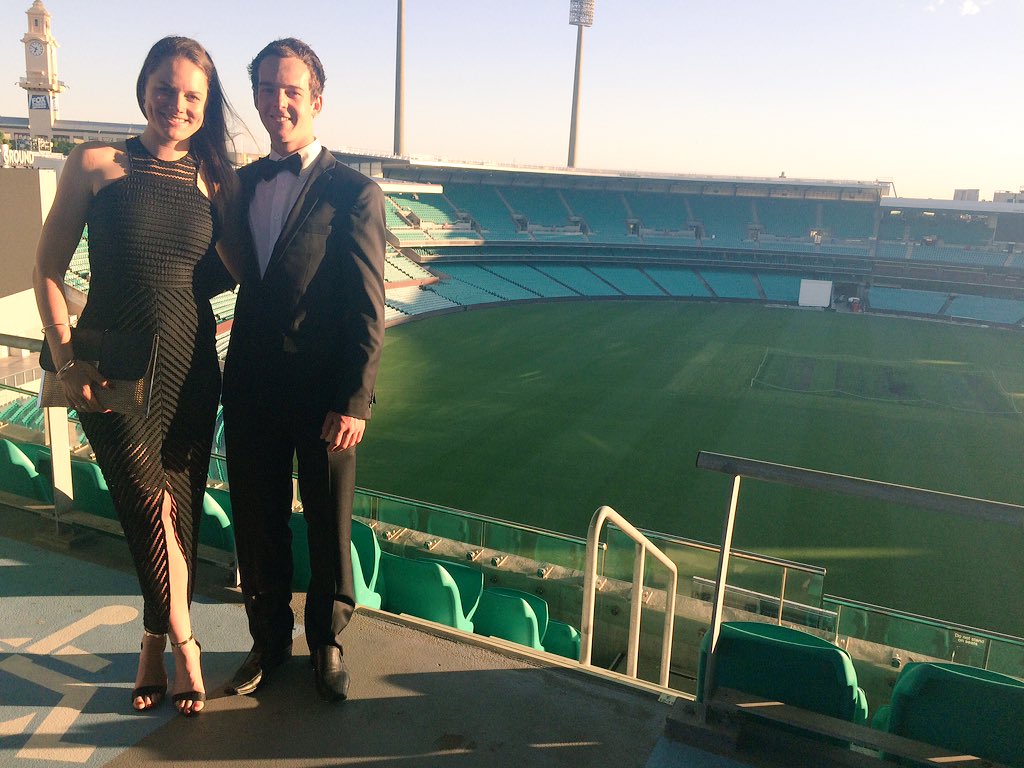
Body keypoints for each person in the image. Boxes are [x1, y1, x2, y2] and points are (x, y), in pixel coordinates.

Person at [34, 36, 241, 716]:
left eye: (192, 96)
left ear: (205, 107)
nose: (176, 104)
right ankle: (188, 645)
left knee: (174, 515)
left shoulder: (215, 180)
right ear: (143, 85)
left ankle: (152, 641)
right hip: (109, 372)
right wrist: (67, 363)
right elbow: (47, 270)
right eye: (166, 87)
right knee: (147, 508)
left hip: (189, 369)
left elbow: (226, 275)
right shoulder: (95, 163)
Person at [221, 38, 385, 702]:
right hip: (253, 391)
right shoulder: (240, 185)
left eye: (291, 90)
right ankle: (268, 642)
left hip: (325, 397)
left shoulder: (355, 192)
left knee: (327, 524)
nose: (277, 102)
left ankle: (327, 642)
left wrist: (355, 399)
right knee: (257, 524)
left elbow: (369, 307)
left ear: (317, 99)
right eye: (265, 89)